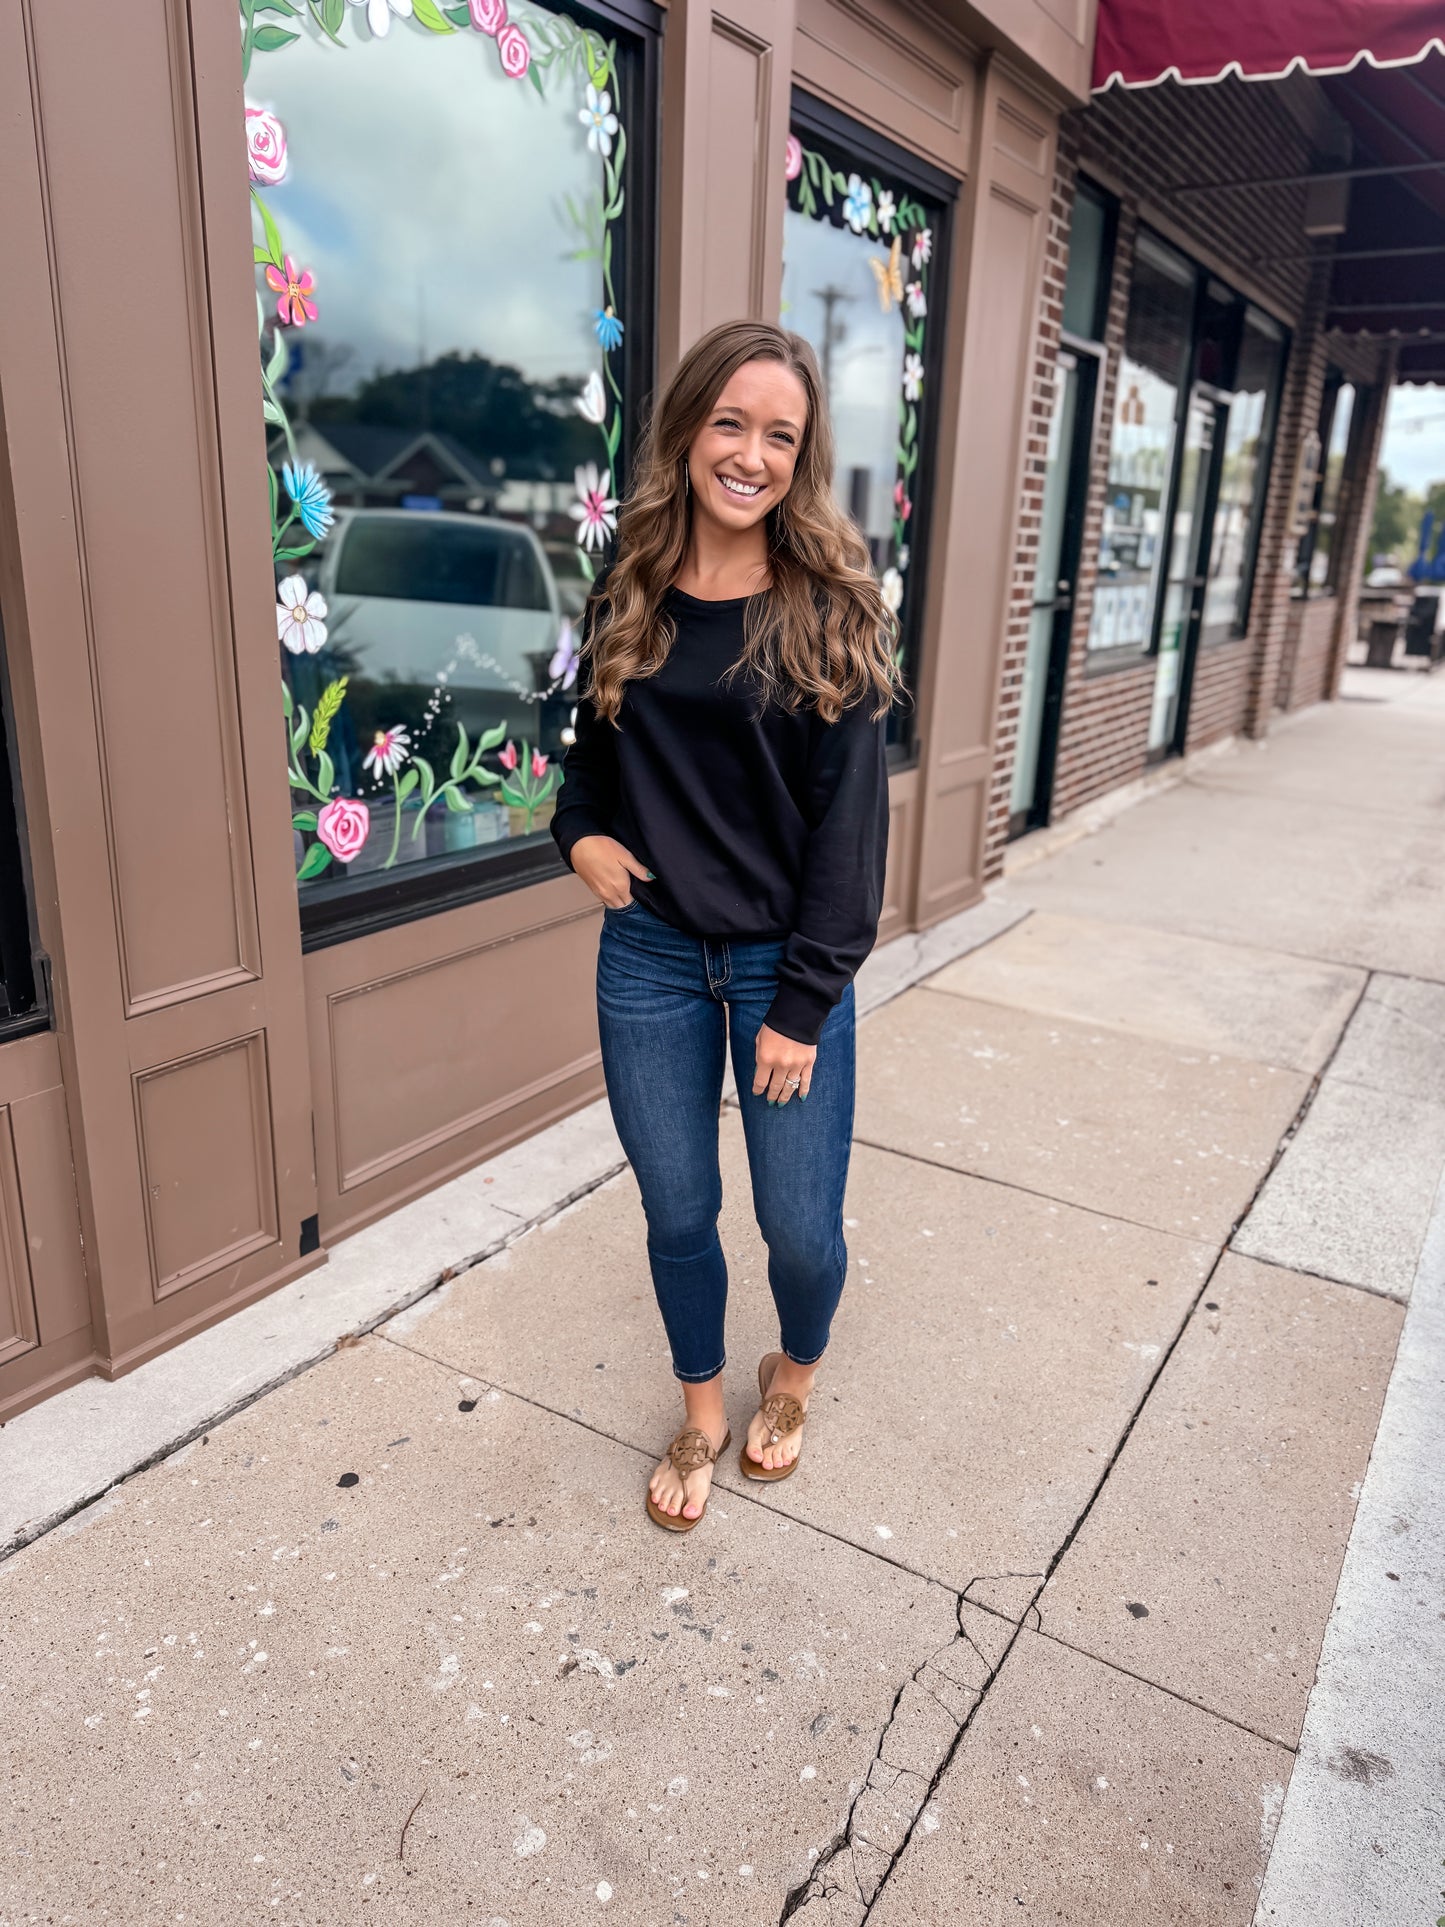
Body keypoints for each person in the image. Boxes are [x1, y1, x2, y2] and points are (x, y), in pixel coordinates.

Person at [550, 318, 899, 1533]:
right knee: (678, 1210)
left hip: (778, 972)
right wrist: (579, 839)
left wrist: (801, 1002)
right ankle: (701, 1410)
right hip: (646, 960)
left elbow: (851, 842)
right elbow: (587, 770)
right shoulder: (628, 584)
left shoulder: (830, 612)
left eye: (780, 435)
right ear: (691, 428)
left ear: (802, 458)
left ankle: (788, 1375)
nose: (750, 453)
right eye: (731, 423)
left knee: (798, 1226)